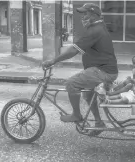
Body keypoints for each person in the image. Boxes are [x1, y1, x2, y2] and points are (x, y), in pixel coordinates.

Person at [42, 3, 118, 135]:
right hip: (102, 70)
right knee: (88, 94)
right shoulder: (97, 27)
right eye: (82, 14)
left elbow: (73, 51)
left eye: (85, 14)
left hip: (103, 71)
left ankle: (76, 115)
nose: (83, 17)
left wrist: (53, 61)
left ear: (94, 15)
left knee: (71, 83)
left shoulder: (94, 30)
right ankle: (99, 123)